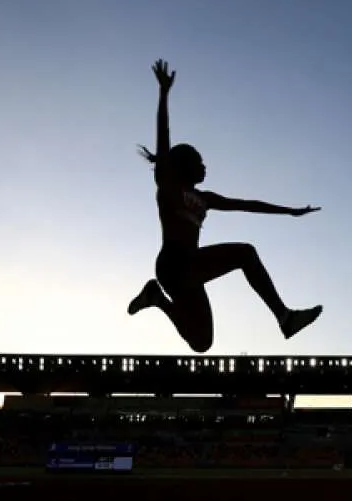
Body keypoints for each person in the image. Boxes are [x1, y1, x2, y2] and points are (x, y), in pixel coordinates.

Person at [127, 58, 323, 353]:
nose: (205, 166)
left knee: (201, 342)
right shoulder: (168, 183)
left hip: (190, 270)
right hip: (174, 262)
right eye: (200, 162)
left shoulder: (206, 199)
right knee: (245, 253)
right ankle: (285, 318)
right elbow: (164, 139)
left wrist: (290, 211)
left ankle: (156, 299)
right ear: (184, 165)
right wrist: (164, 94)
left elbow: (247, 204)